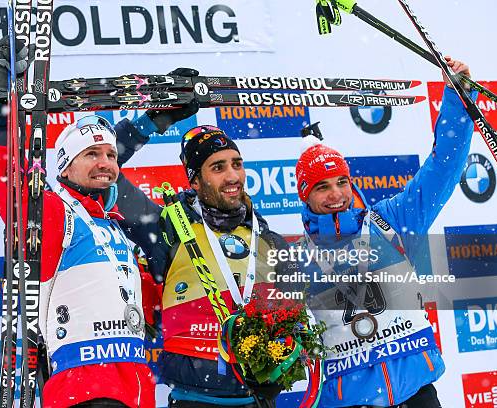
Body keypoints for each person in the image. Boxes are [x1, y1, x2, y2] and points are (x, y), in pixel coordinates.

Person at [0, 38, 197, 408]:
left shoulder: (115, 226)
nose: (106, 162)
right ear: (65, 166)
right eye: (92, 154)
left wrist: (155, 118)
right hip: (84, 389)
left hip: (135, 388)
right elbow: (9, 180)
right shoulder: (53, 213)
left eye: (111, 156)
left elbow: (154, 309)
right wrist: (4, 104)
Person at [293, 58, 475, 407]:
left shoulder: (388, 222)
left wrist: (457, 97)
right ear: (305, 195)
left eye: (342, 182)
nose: (335, 195)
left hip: (418, 394)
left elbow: (443, 168)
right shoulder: (297, 259)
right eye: (322, 187)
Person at [115, 123, 301, 408]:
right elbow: (104, 167)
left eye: (236, 164)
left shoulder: (269, 240)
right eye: (217, 167)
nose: (232, 176)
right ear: (194, 181)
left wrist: (284, 362)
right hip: (194, 399)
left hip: (257, 401)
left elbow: (295, 321)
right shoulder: (166, 228)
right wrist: (149, 122)